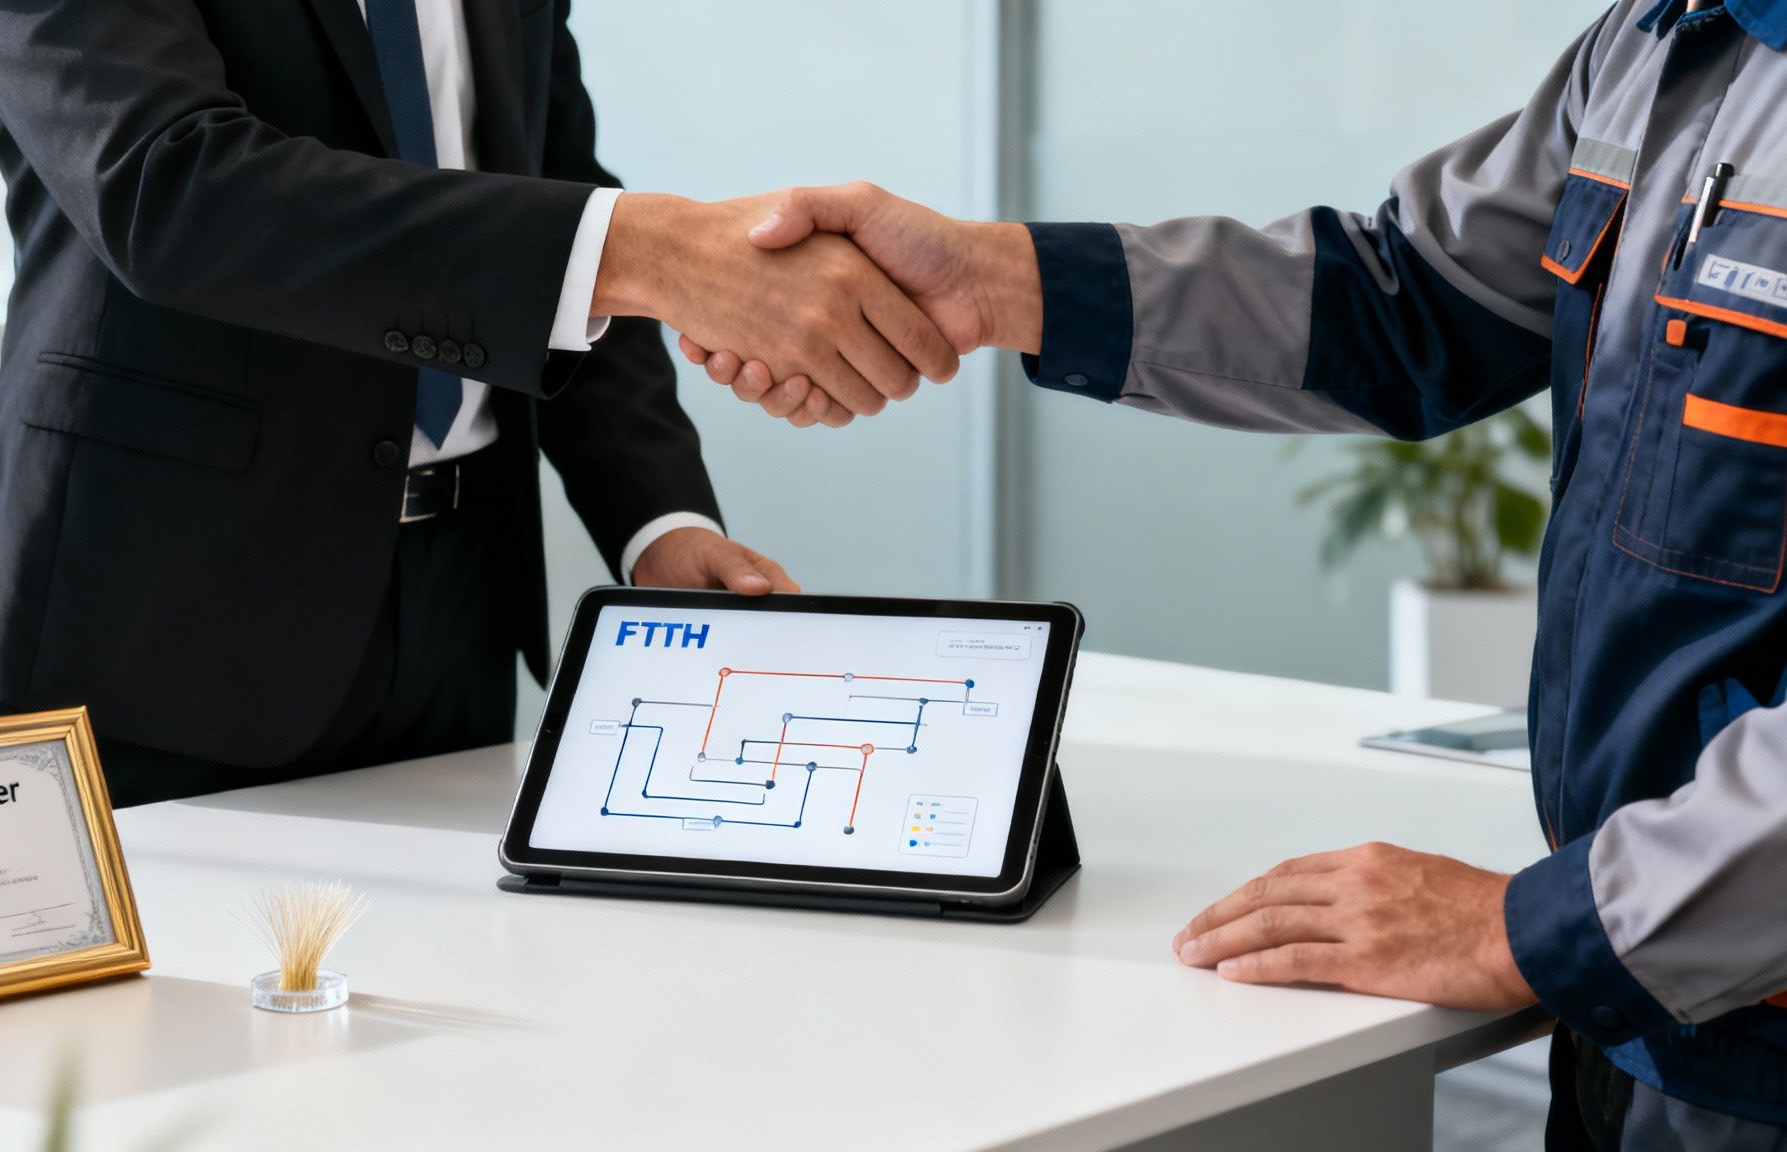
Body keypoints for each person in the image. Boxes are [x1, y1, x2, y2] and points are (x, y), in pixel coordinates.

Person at [682, 0, 1787, 1144]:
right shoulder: (1667, 40)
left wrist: (1533, 928)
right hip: (1647, 1025)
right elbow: (1407, 300)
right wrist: (995, 282)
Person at [0, 0, 959, 807]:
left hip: (459, 602)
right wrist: (649, 249)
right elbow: (172, 191)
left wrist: (656, 520)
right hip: (163, 620)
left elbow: (556, 202)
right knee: (154, 1064)